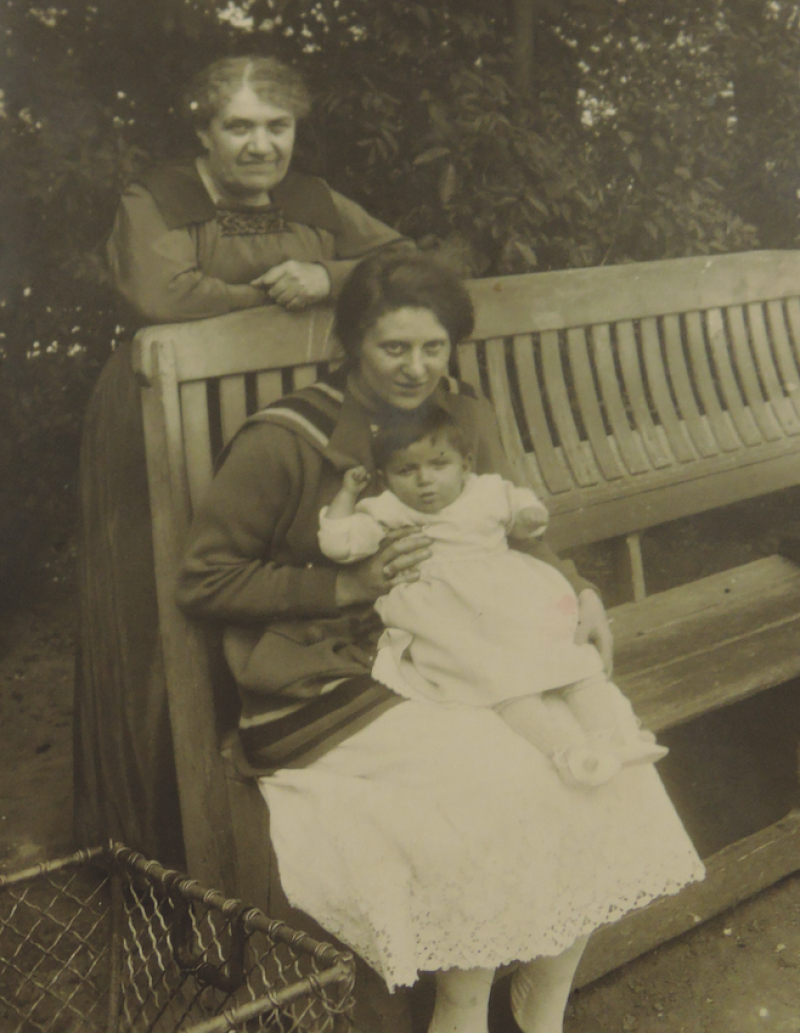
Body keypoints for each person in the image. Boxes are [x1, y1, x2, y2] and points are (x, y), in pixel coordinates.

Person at [177, 251, 704, 1033]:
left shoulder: (461, 421)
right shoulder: (286, 440)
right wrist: (340, 587)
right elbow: (204, 579)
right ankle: (460, 1009)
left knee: (609, 752)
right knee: (509, 786)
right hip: (326, 677)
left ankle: (540, 1001)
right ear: (352, 342)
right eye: (394, 348)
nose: (416, 368)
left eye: (433, 347)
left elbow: (502, 529)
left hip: (458, 655)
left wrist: (580, 590)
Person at [73, 55, 412, 864]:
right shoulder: (155, 197)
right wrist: (281, 292)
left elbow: (404, 263)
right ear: (203, 131)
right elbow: (168, 297)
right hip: (155, 428)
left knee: (285, 587)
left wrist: (325, 273)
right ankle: (154, 839)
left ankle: (276, 822)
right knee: (163, 615)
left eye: (277, 126)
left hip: (270, 430)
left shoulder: (315, 200)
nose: (261, 145)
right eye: (239, 126)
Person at [317, 407, 667, 788]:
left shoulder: (486, 490)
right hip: (448, 617)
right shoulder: (388, 510)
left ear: (465, 464)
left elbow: (521, 512)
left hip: (512, 599)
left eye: (439, 465)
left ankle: (613, 740)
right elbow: (338, 543)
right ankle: (569, 753)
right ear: (384, 477)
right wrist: (349, 494)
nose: (425, 481)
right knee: (497, 679)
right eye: (406, 471)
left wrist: (528, 517)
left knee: (574, 659)